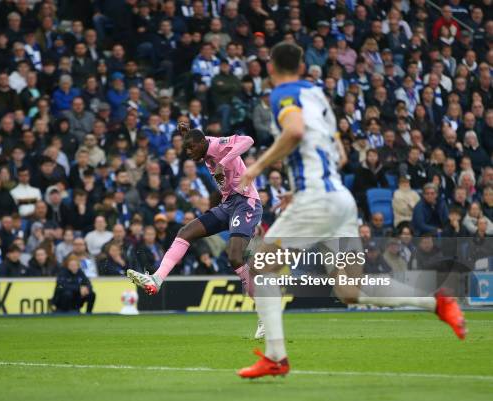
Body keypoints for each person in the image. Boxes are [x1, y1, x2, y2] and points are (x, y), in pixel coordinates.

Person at [237, 43, 466, 379]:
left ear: (271, 69)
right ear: (302, 66)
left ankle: (275, 356)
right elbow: (340, 152)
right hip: (340, 202)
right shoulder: (316, 95)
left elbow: (295, 130)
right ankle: (437, 302)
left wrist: (257, 168)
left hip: (318, 200)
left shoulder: (282, 94)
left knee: (260, 267)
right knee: (350, 290)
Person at [127, 121, 265, 338]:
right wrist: (187, 134)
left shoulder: (219, 145)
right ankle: (156, 279)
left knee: (235, 256)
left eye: (191, 148)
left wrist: (223, 162)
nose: (189, 153)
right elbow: (198, 140)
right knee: (185, 232)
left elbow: (248, 140)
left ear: (202, 143)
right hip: (228, 205)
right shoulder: (203, 147)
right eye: (186, 149)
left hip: (246, 202)